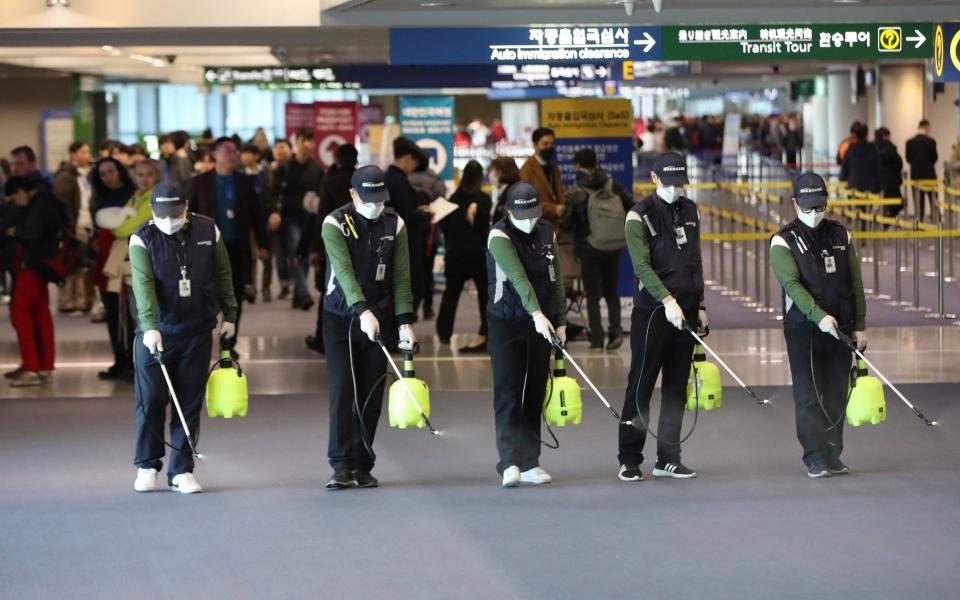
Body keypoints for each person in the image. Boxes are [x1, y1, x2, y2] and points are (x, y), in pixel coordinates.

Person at [128, 181, 238, 494]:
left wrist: (230, 314)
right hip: (157, 332)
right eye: (162, 216)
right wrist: (149, 325)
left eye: (175, 214)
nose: (169, 221)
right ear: (152, 212)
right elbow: (143, 285)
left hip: (196, 330)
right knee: (151, 400)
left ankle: (181, 471)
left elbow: (223, 275)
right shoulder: (142, 238)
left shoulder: (208, 231)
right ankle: (147, 464)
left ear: (186, 207)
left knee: (188, 402)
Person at [320, 165, 415, 490]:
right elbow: (344, 272)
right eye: (368, 199)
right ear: (352, 194)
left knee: (372, 393)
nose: (375, 205)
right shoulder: (334, 223)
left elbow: (401, 276)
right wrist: (361, 310)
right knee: (344, 389)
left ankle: (363, 463)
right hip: (340, 318)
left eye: (380, 199)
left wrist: (404, 322)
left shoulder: (395, 223)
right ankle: (341, 464)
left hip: (383, 316)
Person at [770, 173, 866, 478]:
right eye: (808, 207)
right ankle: (814, 455)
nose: (814, 213)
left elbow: (856, 283)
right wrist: (818, 315)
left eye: (820, 206)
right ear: (796, 204)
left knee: (837, 391)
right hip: (803, 329)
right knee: (808, 394)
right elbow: (792, 285)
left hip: (841, 328)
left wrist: (859, 326)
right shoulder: (782, 240)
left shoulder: (841, 235)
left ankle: (832, 452)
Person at [618, 152, 704, 483]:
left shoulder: (691, 210)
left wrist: (702, 303)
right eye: (669, 184)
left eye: (680, 184)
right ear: (654, 179)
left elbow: (695, 257)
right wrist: (667, 300)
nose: (675, 190)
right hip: (653, 312)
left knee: (676, 387)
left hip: (688, 309)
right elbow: (641, 267)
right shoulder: (638, 216)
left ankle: (668, 457)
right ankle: (629, 458)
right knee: (641, 384)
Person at [486, 182, 566, 488]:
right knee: (508, 391)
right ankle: (508, 461)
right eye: (523, 214)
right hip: (507, 321)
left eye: (534, 213)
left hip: (542, 321)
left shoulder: (546, 232)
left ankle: (531, 461)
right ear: (509, 211)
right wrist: (536, 314)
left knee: (534, 390)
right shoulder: (499, 236)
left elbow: (555, 278)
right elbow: (519, 278)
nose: (530, 220)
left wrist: (558, 320)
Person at [186, 137, 268, 343]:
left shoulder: (244, 182)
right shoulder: (200, 182)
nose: (233, 155)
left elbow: (257, 215)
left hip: (237, 247)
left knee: (235, 296)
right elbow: (188, 215)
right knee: (206, 295)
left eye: (235, 152)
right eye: (227, 151)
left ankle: (228, 343)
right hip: (207, 249)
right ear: (215, 154)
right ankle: (203, 339)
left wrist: (263, 244)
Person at [559, 147, 632, 352]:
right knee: (611, 291)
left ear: (578, 166)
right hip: (614, 245)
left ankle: (598, 338)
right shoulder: (613, 186)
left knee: (593, 294)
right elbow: (632, 205)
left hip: (588, 247)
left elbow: (565, 222)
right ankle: (616, 331)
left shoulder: (576, 192)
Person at [2, 176, 66, 387]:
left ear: (22, 190)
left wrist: (13, 231)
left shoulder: (38, 205)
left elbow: (32, 233)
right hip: (42, 268)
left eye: (15, 196)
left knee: (21, 315)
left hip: (31, 267)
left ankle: (31, 368)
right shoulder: (48, 200)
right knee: (41, 315)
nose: (15, 202)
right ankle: (44, 365)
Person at [304, 143, 358, 354]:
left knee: (330, 290)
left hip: (333, 242)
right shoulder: (359, 180)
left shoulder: (330, 180)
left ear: (336, 159)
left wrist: (316, 248)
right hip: (358, 242)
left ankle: (323, 338)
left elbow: (323, 215)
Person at [436, 160, 491, 352]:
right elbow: (485, 228)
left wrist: (452, 237)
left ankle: (443, 333)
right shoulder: (484, 199)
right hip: (478, 254)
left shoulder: (453, 199)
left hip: (455, 254)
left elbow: (442, 224)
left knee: (451, 294)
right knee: (485, 294)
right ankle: (486, 330)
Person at [90, 156, 137, 381]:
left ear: (119, 171)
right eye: (102, 174)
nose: (107, 177)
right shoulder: (98, 197)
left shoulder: (132, 194)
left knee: (128, 312)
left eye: (111, 171)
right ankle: (119, 358)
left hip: (126, 256)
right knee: (112, 310)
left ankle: (132, 360)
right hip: (104, 258)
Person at [275, 128, 324, 311]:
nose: (306, 145)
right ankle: (303, 293)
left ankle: (298, 294)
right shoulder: (285, 168)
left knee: (302, 255)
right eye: (303, 140)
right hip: (291, 218)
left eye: (309, 141)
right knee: (297, 250)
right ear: (296, 143)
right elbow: (274, 192)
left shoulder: (317, 169)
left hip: (310, 218)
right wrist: (274, 212)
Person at [384, 137, 427, 317]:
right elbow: (405, 215)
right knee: (414, 286)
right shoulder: (399, 181)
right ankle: (401, 326)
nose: (413, 168)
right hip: (405, 245)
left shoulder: (388, 178)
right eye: (414, 163)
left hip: (391, 243)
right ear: (408, 158)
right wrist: (425, 214)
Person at [53, 140, 95, 315]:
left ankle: (84, 300)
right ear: (73, 154)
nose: (87, 156)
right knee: (72, 264)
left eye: (88, 152)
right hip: (74, 225)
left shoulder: (88, 174)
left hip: (89, 223)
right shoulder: (65, 176)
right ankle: (70, 302)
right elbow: (61, 203)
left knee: (86, 264)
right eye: (83, 152)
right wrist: (68, 224)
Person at [408, 151, 445, 321]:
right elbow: (441, 205)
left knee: (410, 273)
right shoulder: (436, 181)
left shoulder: (406, 180)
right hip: (430, 234)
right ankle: (428, 308)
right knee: (428, 272)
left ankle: (411, 308)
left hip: (409, 233)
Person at [260, 138, 294, 302]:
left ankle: (295, 284)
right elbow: (266, 194)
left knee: (293, 252)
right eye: (277, 148)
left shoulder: (295, 168)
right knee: (279, 254)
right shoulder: (267, 171)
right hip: (273, 217)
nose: (279, 150)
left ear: (290, 150)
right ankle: (285, 286)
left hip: (292, 216)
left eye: (283, 147)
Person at [519, 128, 564, 225]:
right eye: (545, 144)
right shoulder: (527, 170)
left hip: (556, 226)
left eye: (552, 144)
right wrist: (553, 209)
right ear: (535, 145)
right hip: (538, 226)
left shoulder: (554, 168)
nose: (549, 147)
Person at [905, 119, 939, 221]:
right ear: (926, 127)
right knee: (933, 199)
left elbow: (908, 158)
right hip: (929, 175)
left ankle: (919, 222)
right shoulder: (931, 141)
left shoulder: (909, 142)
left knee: (918, 201)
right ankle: (936, 221)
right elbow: (934, 158)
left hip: (916, 175)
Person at [840, 123, 880, 194]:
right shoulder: (873, 149)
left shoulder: (850, 150)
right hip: (870, 185)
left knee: (857, 204)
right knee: (867, 203)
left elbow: (844, 168)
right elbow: (878, 167)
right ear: (866, 134)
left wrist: (844, 179)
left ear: (856, 135)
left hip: (854, 184)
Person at [875, 127, 904, 219]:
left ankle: (885, 222)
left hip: (878, 182)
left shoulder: (873, 147)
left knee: (886, 204)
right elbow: (898, 163)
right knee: (896, 205)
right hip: (891, 181)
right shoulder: (889, 148)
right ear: (884, 136)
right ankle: (887, 223)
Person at [488, 156, 520, 224]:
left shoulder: (511, 193)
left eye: (491, 170)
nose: (490, 174)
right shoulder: (510, 190)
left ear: (499, 172)